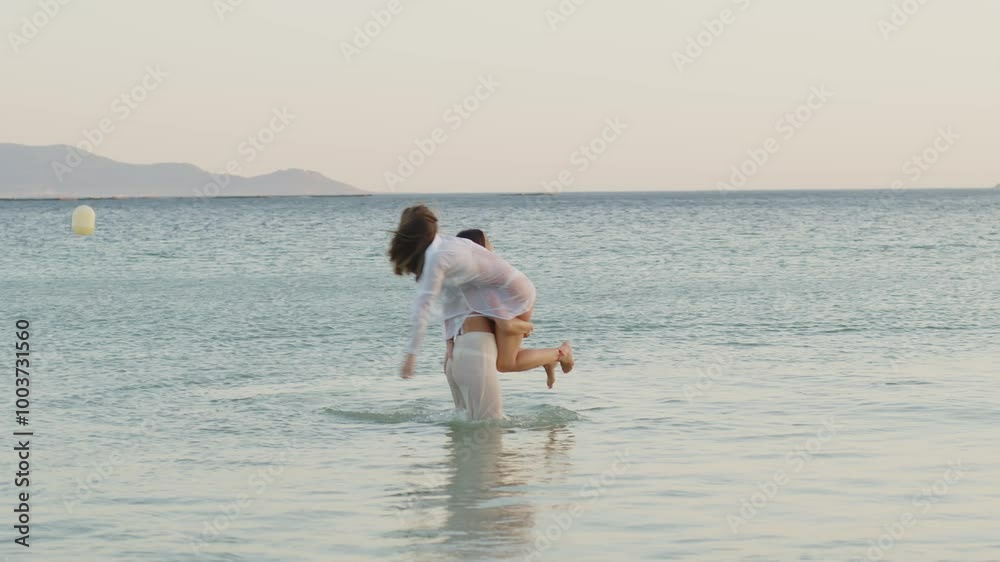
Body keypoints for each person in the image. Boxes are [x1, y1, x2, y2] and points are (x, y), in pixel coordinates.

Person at [389, 205, 573, 383]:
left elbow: (424, 305)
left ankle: (560, 353)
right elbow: (450, 296)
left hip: (513, 293)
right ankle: (544, 356)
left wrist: (411, 355)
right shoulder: (443, 247)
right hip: (504, 290)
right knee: (506, 347)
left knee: (506, 362)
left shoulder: (439, 256)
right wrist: (448, 341)